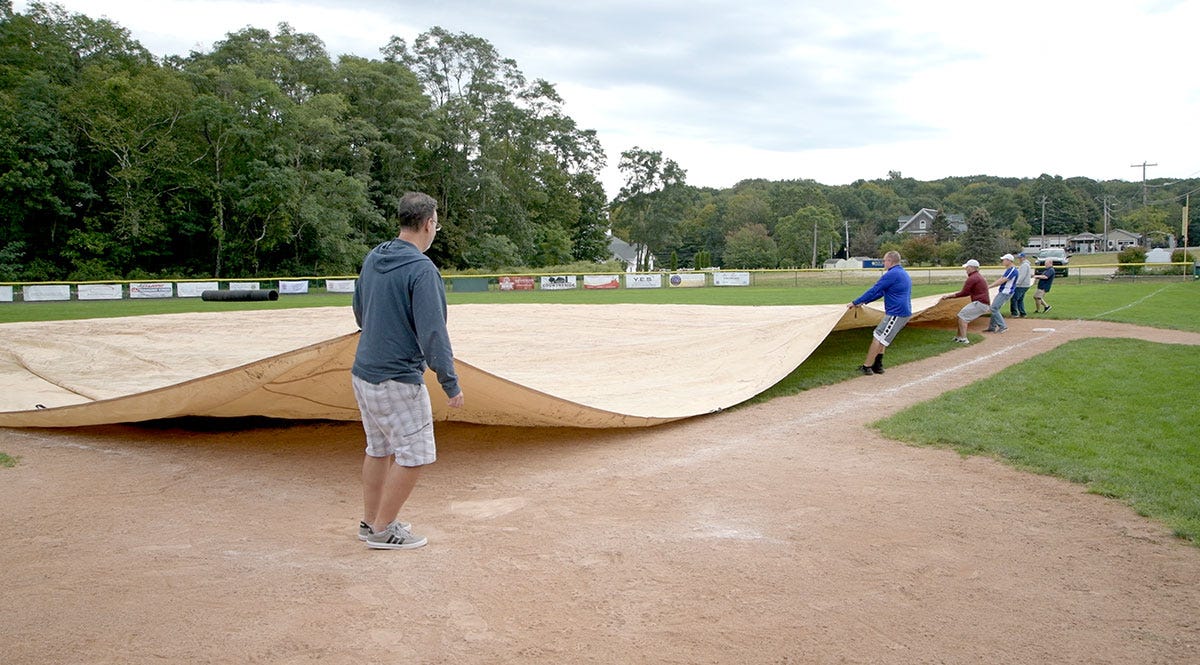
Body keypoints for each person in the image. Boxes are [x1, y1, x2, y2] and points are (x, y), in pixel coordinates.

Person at [351, 192, 465, 550]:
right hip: (397, 379)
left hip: (363, 372)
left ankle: (371, 523)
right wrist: (450, 383)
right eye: (437, 224)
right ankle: (385, 529)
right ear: (428, 224)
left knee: (379, 448)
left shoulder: (374, 257)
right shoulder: (421, 269)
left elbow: (359, 311)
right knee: (415, 455)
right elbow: (433, 332)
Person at [847, 250, 912, 375]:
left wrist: (855, 302)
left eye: (884, 260)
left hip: (896, 313)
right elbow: (881, 292)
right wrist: (864, 302)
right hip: (901, 312)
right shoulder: (901, 273)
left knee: (877, 336)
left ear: (890, 261)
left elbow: (874, 289)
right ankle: (878, 366)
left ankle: (867, 366)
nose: (883, 263)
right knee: (882, 338)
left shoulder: (891, 274)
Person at [940, 259, 990, 344]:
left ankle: (964, 339)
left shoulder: (973, 278)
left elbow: (964, 293)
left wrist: (949, 296)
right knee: (961, 316)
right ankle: (959, 337)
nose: (965, 269)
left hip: (980, 303)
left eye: (967, 267)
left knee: (963, 317)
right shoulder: (976, 276)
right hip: (981, 303)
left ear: (971, 268)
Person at [985, 254, 1019, 333]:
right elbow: (1001, 279)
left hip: (1006, 292)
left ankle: (1003, 326)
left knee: (993, 308)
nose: (1002, 262)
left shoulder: (1012, 270)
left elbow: (1003, 280)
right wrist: (990, 285)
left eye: (1004, 260)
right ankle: (992, 327)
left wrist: (990, 286)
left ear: (1009, 261)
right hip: (1003, 291)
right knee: (994, 308)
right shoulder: (1009, 270)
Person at [1009, 252, 1032, 318]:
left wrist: (1016, 284)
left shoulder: (1024, 265)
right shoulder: (1025, 264)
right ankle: (1022, 313)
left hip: (1021, 285)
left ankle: (1014, 313)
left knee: (1014, 299)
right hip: (1024, 285)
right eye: (1019, 258)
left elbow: (1022, 276)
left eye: (1021, 257)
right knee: (1020, 299)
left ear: (1024, 257)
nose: (1019, 259)